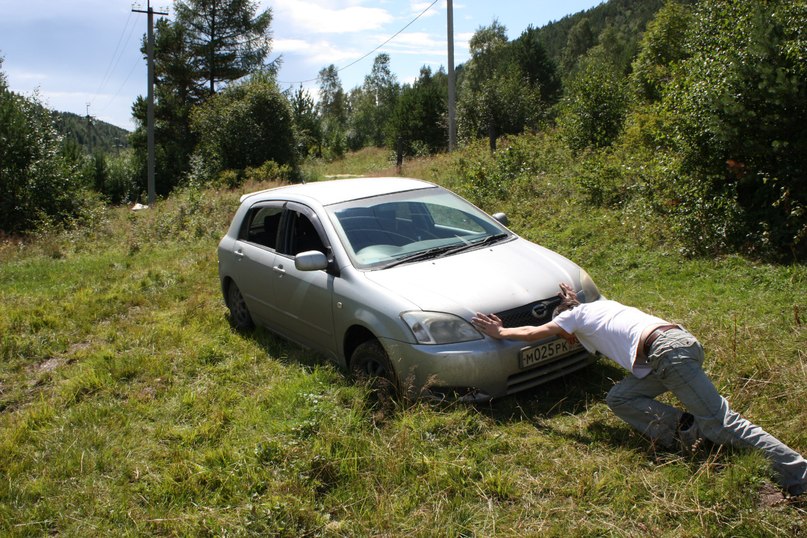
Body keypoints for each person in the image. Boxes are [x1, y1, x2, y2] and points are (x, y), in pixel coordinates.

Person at [471, 283, 807, 497]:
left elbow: (533, 333)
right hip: (678, 345)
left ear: (565, 321)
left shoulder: (573, 319)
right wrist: (571, 301)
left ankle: (798, 473)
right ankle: (688, 431)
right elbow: (576, 312)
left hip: (667, 354)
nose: (567, 339)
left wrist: (501, 333)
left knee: (722, 423)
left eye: (564, 332)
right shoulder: (598, 307)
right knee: (621, 397)